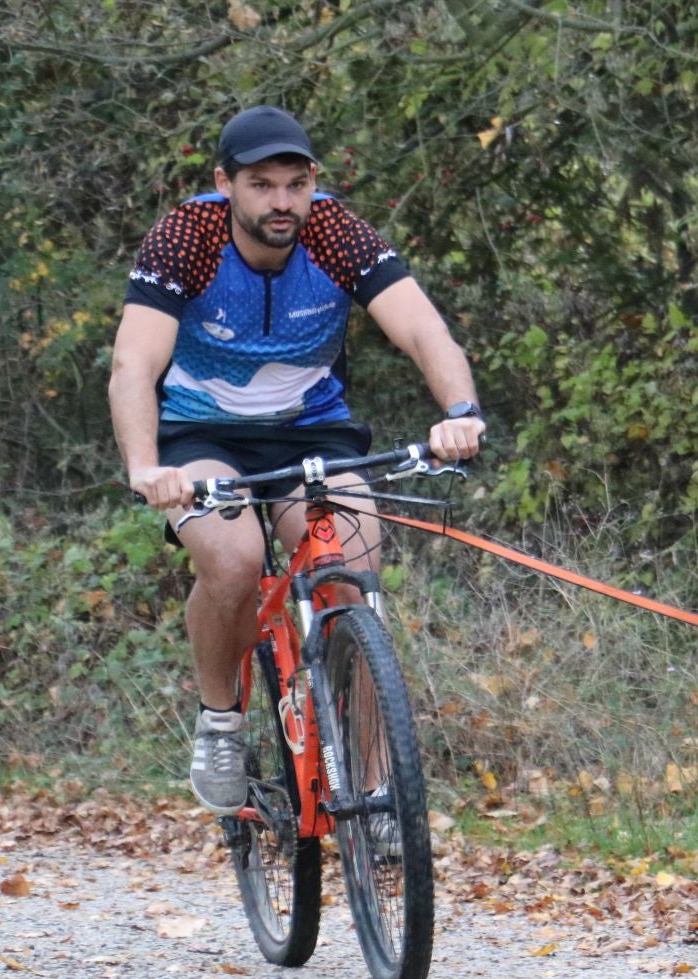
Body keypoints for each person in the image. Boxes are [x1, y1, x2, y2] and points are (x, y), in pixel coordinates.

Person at [110, 105, 485, 814]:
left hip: (310, 430)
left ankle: (375, 787)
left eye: (295, 182)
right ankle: (221, 719)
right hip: (198, 433)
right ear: (227, 185)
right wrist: (143, 465)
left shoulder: (336, 231)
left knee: (350, 572)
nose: (282, 201)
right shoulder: (186, 236)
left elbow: (423, 329)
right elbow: (133, 364)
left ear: (313, 181)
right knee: (232, 559)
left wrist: (460, 412)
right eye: (261, 184)